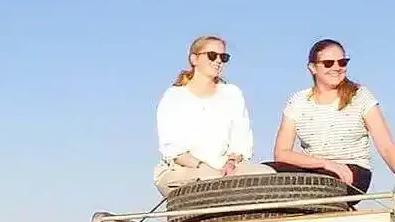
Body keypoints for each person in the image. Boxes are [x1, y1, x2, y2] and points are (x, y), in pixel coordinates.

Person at [266, 39, 395, 194]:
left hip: (350, 172)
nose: (337, 68)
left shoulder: (360, 96)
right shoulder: (297, 101)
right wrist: (326, 164)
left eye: (342, 62)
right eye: (328, 63)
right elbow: (282, 153)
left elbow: (387, 147)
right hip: (313, 169)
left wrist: (334, 167)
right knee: (264, 171)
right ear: (313, 68)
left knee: (318, 183)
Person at [154, 34, 273, 196]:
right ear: (194, 59)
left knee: (268, 176)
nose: (218, 61)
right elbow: (173, 150)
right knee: (211, 183)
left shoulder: (233, 93)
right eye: (212, 55)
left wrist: (231, 163)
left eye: (223, 57)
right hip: (186, 169)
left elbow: (241, 140)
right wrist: (206, 169)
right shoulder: (174, 96)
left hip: (227, 167)